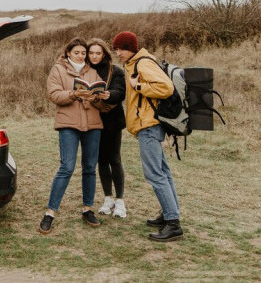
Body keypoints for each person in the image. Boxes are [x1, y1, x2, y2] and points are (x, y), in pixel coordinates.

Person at [112, 31, 184, 242]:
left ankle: (173, 224)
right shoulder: (136, 63)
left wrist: (139, 86)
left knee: (155, 174)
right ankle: (169, 214)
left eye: (122, 48)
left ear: (132, 48)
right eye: (116, 49)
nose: (118, 53)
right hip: (148, 125)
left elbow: (166, 87)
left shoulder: (142, 63)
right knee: (163, 172)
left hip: (149, 126)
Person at [39, 37, 105, 235]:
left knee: (90, 167)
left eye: (83, 53)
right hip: (68, 123)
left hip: (92, 124)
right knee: (67, 166)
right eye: (77, 52)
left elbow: (100, 103)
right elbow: (54, 95)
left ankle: (87, 209)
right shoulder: (58, 70)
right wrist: (74, 94)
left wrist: (97, 97)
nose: (81, 56)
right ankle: (50, 213)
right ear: (68, 53)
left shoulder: (92, 72)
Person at [87, 38, 127, 218]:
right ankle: (108, 198)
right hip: (92, 120)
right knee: (101, 161)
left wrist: (108, 94)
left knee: (114, 159)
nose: (94, 56)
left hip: (112, 121)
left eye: (98, 53)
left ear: (104, 54)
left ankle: (120, 201)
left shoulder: (115, 71)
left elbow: (121, 93)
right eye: (91, 53)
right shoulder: (85, 71)